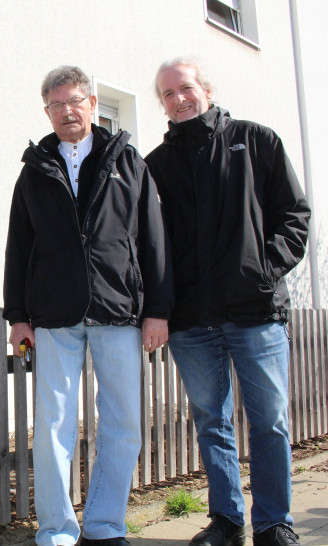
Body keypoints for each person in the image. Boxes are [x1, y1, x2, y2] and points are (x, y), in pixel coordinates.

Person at [3, 66, 173, 546]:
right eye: (56, 104)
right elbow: (19, 246)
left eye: (74, 100)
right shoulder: (35, 169)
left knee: (122, 423)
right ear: (47, 112)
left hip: (118, 310)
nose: (66, 111)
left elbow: (152, 240)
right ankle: (56, 530)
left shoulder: (128, 160)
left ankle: (104, 526)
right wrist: (18, 315)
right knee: (53, 425)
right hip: (55, 315)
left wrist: (157, 309)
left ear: (93, 104)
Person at [145, 57, 311, 546]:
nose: (179, 98)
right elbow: (149, 245)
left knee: (270, 423)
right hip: (192, 322)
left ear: (206, 88)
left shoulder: (257, 141)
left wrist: (263, 270)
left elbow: (294, 216)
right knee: (211, 423)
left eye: (185, 88)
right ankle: (227, 519)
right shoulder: (156, 165)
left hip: (254, 313)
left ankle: (274, 522)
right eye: (168, 94)